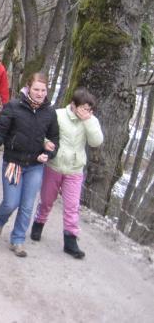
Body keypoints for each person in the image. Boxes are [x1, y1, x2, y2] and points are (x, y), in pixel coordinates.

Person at [0, 72, 59, 257]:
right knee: (11, 203)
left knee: (27, 205)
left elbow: (55, 139)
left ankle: (17, 240)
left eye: (43, 90)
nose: (40, 93)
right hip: (13, 163)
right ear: (28, 88)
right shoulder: (14, 107)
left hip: (35, 166)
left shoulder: (49, 112)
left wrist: (48, 153)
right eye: (36, 89)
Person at [31, 88, 104, 259]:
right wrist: (46, 143)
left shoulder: (90, 121)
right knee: (47, 200)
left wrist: (88, 121)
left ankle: (70, 241)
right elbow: (43, 133)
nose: (88, 112)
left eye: (90, 109)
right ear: (73, 105)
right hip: (54, 165)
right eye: (84, 108)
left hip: (75, 169)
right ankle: (38, 223)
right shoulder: (58, 114)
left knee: (72, 206)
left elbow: (96, 141)